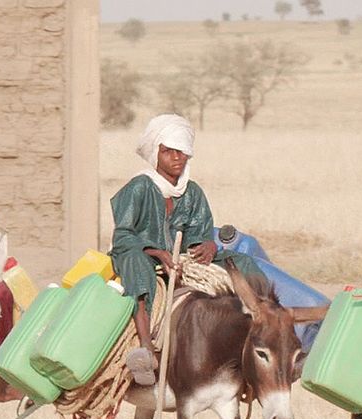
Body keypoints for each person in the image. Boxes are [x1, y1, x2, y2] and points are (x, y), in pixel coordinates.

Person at [110, 114, 265, 386]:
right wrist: (155, 252)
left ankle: (263, 328)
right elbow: (123, 233)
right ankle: (146, 346)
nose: (176, 158)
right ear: (155, 153)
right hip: (138, 253)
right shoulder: (139, 187)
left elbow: (199, 233)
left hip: (181, 258)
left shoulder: (192, 193)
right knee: (137, 264)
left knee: (241, 261)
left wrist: (207, 245)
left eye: (182, 152)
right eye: (168, 151)